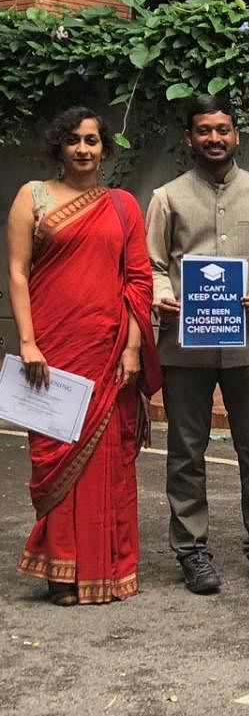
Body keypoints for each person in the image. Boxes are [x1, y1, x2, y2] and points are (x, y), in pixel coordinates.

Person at [8, 106, 161, 605]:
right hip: (52, 348)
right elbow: (17, 274)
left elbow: (138, 281)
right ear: (60, 145)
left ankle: (106, 569)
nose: (82, 149)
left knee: (108, 461)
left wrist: (134, 349)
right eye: (73, 139)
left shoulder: (122, 206)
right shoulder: (32, 197)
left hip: (110, 350)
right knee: (54, 456)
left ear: (104, 148)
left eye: (92, 141)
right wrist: (27, 342)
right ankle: (61, 569)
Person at [146, 95, 249, 594]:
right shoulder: (166, 198)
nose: (214, 138)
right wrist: (164, 297)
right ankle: (191, 551)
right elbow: (152, 265)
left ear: (237, 135)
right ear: (189, 137)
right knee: (186, 451)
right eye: (204, 130)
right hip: (184, 348)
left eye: (223, 129)